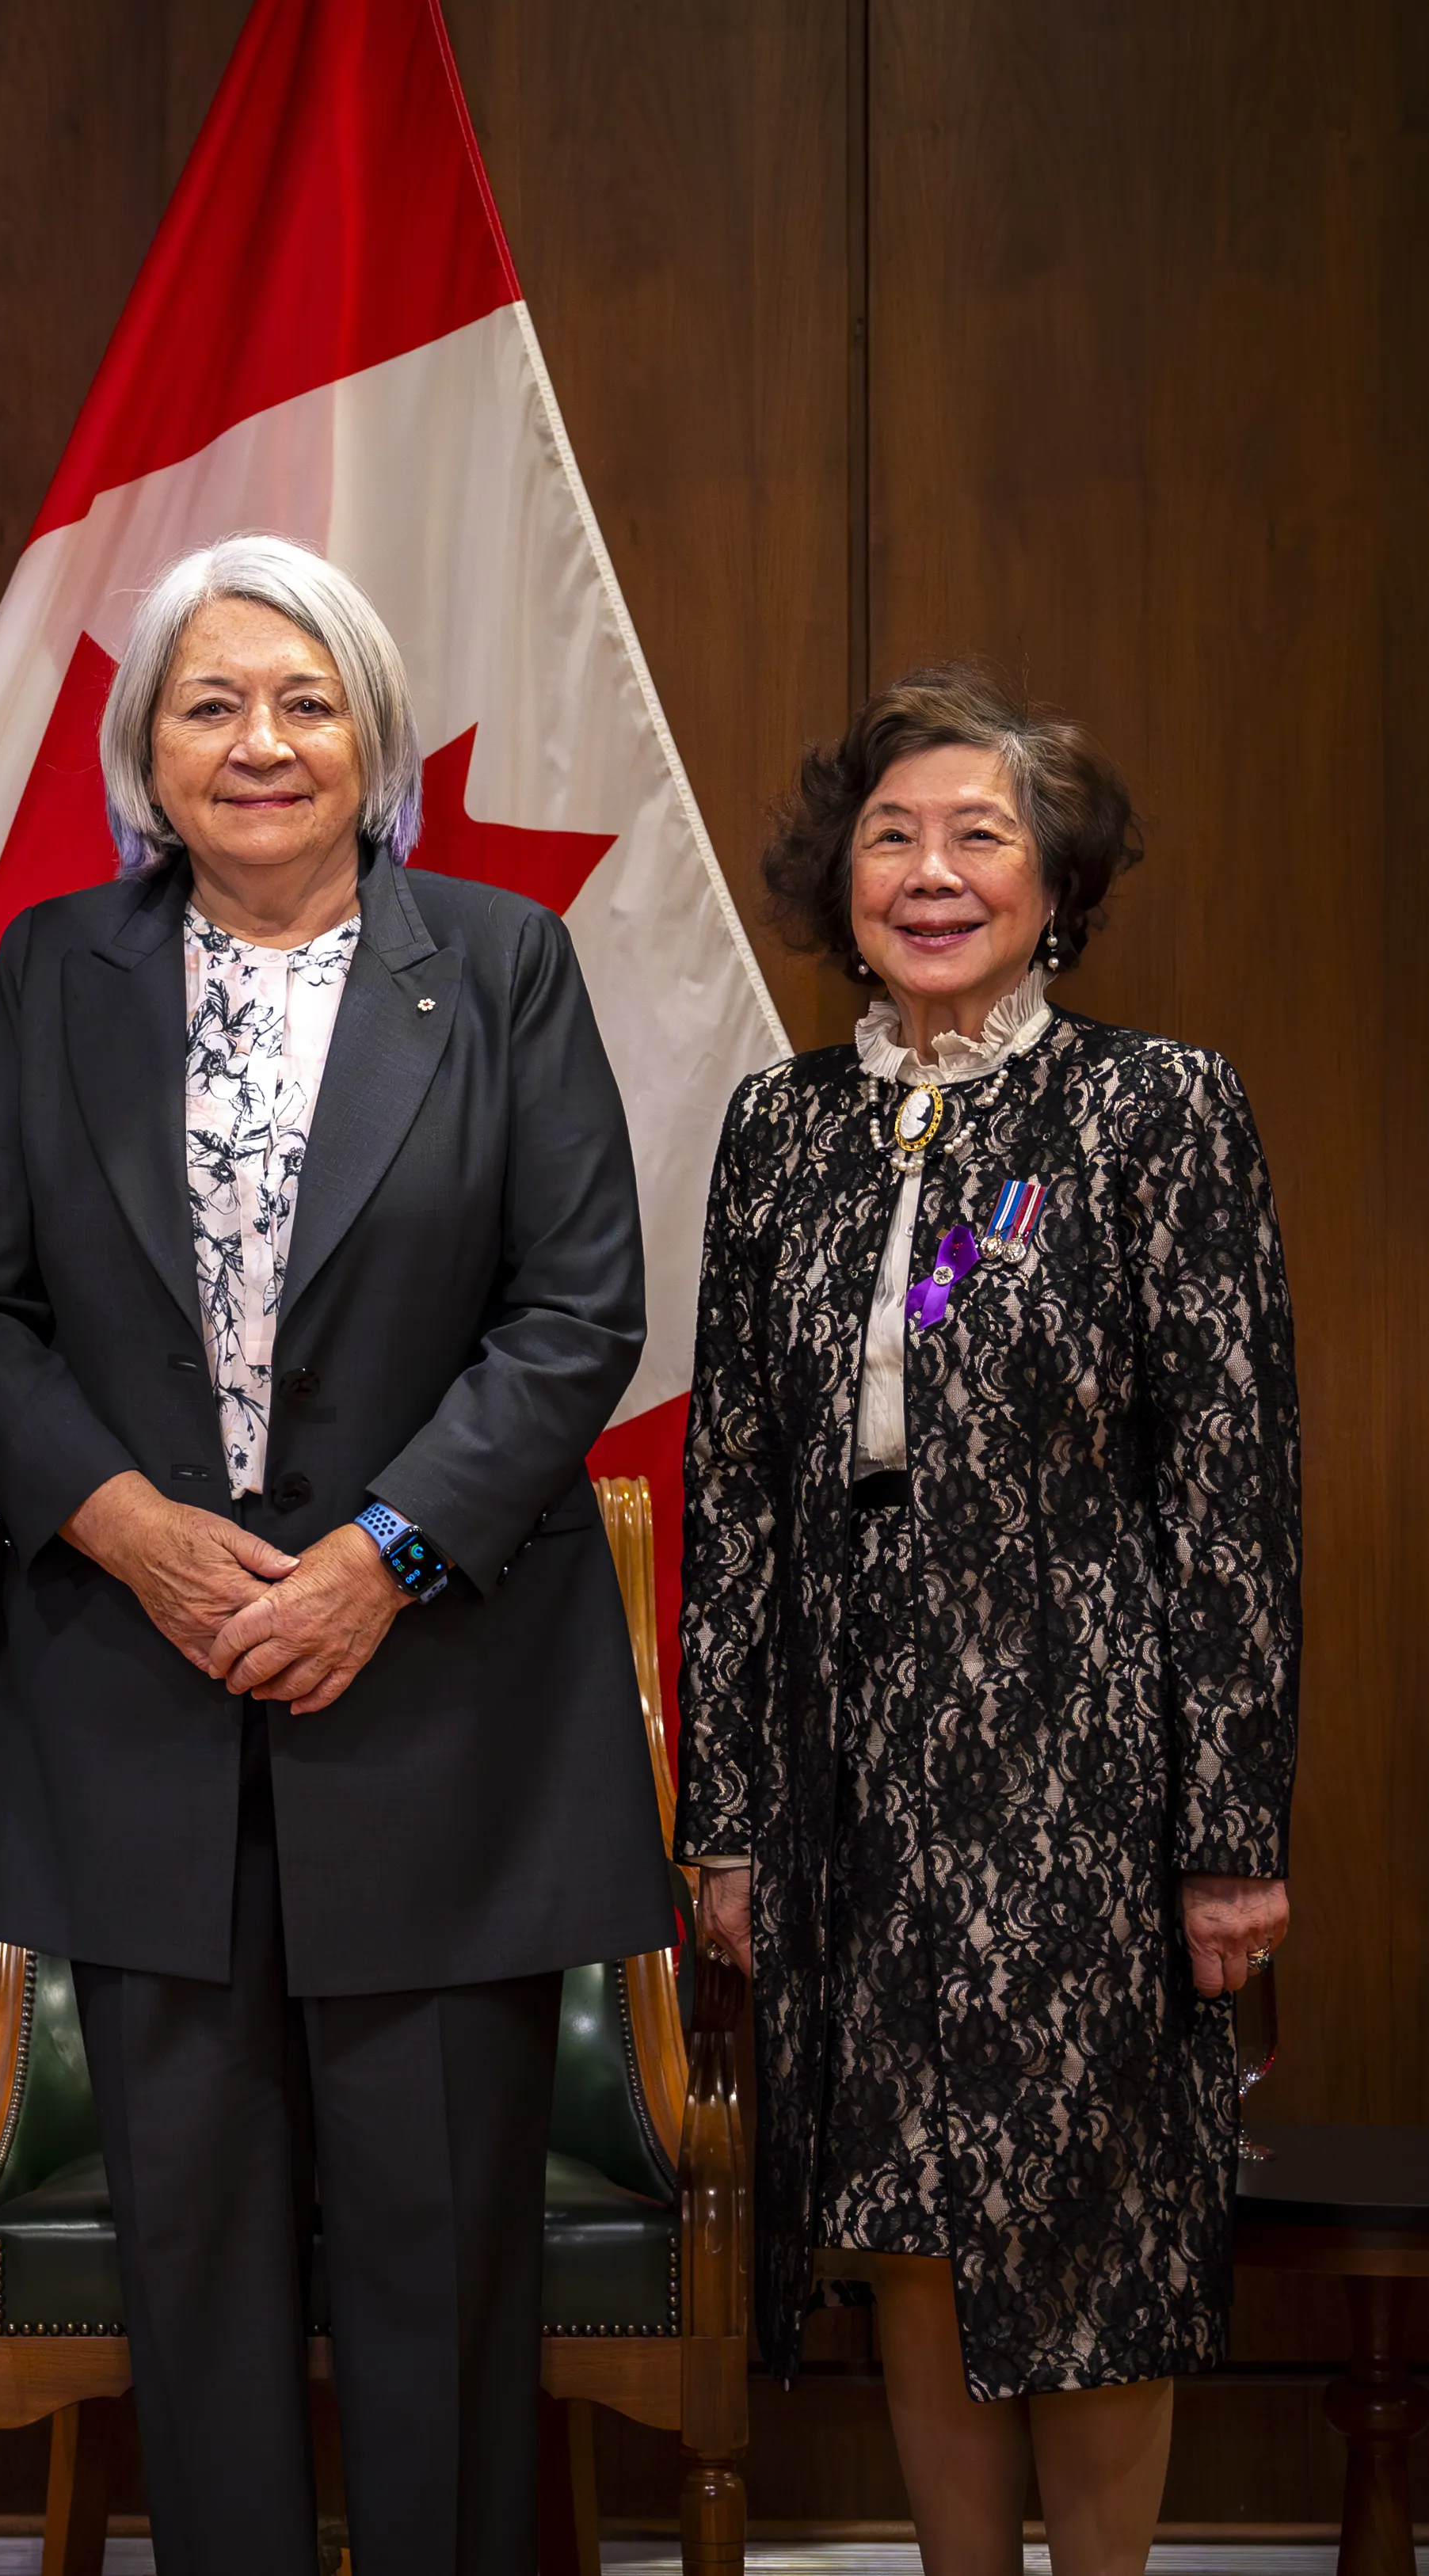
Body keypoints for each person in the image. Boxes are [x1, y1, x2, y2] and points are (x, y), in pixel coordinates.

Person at [0, 533, 669, 2575]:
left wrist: (381, 1560)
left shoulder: (498, 964)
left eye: (303, 699)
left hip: (434, 1714)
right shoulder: (54, 972)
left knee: (444, 2293)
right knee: (199, 2286)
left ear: (377, 738)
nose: (257, 742)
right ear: (141, 754)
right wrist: (130, 1531)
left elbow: (572, 1311)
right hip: (135, 1710)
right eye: (206, 703)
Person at [678, 666, 1299, 2576]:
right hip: (842, 1765)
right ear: (836, 882)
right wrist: (721, 1812)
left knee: (1086, 2227)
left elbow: (1231, 1495)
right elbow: (725, 1497)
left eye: (977, 836)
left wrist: (1228, 1840)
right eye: (889, 838)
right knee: (904, 2216)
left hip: (1082, 1759)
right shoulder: (777, 1127)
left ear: (1053, 881)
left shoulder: (1153, 1109)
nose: (928, 874)